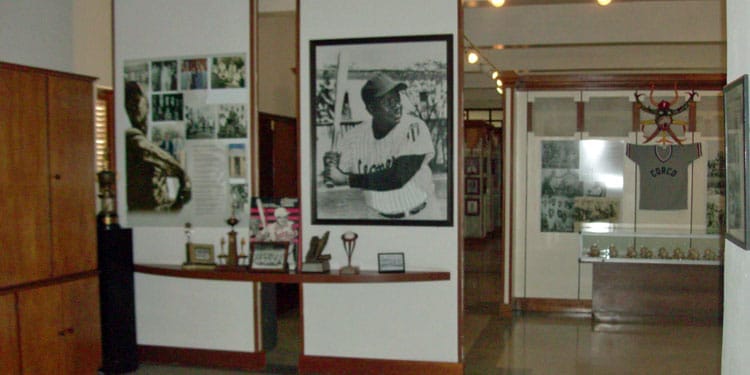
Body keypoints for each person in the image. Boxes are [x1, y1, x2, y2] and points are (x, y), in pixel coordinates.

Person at [324, 72, 437, 219]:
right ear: (371, 109)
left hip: (420, 216)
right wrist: (331, 164)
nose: (396, 104)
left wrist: (346, 179)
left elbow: (398, 177)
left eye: (397, 97)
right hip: (379, 218)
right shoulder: (355, 136)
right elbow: (337, 173)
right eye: (387, 101)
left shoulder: (414, 127)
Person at [125, 81, 191, 211]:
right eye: (130, 102)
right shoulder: (133, 139)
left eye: (137, 100)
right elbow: (179, 172)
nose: (134, 106)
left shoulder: (139, 139)